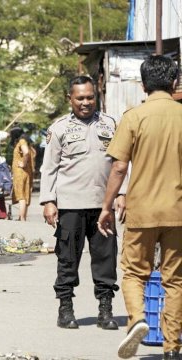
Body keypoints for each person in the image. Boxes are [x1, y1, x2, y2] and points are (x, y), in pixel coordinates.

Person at [97, 55, 182, 360]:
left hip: (142, 211)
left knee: (134, 273)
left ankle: (138, 319)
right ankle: (172, 348)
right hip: (178, 213)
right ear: (175, 83)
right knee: (176, 280)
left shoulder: (133, 117)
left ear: (143, 84)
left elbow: (119, 167)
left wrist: (107, 206)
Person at [39, 75, 121, 331]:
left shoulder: (110, 124)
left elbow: (121, 163)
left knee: (106, 260)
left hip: (102, 206)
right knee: (67, 260)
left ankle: (105, 310)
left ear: (96, 97)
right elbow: (49, 168)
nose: (86, 103)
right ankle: (65, 309)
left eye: (90, 97)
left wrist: (122, 194)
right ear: (70, 99)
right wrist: (48, 201)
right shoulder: (60, 128)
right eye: (80, 98)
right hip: (70, 205)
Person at [10, 126, 36, 221]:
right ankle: (23, 217)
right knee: (25, 194)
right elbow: (32, 153)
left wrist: (23, 163)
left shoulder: (21, 141)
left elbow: (26, 153)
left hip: (20, 172)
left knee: (21, 195)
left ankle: (22, 218)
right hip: (26, 172)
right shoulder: (27, 142)